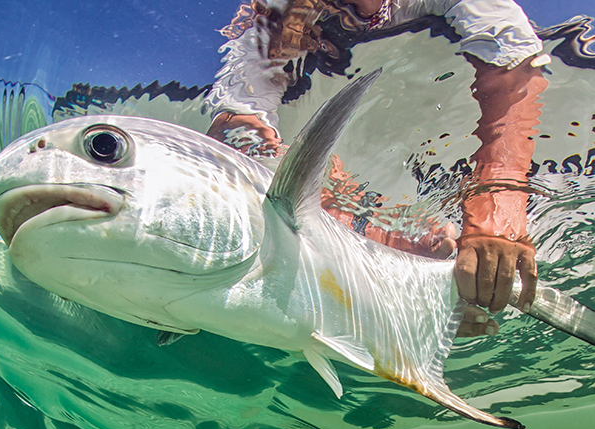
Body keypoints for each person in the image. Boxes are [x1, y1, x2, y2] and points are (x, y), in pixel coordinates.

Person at [205, 0, 549, 337]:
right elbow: (236, 128)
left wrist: (496, 207)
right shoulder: (273, 14)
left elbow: (514, 63)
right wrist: (378, 244)